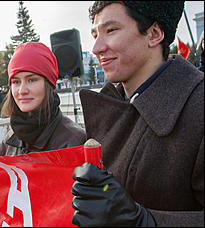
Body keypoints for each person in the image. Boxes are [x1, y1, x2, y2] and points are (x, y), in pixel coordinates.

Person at [72, 1, 203, 227]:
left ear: (153, 34)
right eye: (95, 34)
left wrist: (143, 222)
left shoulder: (198, 107)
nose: (96, 48)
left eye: (111, 30)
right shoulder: (110, 107)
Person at [0, 42, 86, 157]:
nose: (22, 90)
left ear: (49, 85)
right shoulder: (9, 140)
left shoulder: (74, 142)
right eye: (16, 82)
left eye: (32, 80)